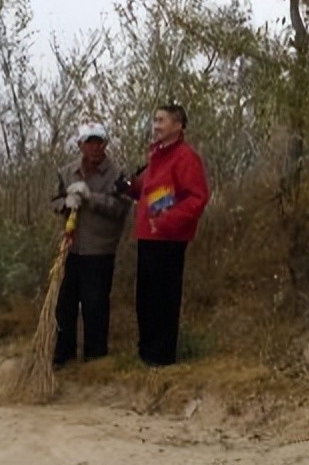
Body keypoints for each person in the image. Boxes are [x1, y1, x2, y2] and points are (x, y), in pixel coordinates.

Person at [123, 105, 211, 367]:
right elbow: (155, 193)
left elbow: (197, 198)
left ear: (178, 125)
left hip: (169, 239)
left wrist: (166, 221)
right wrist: (129, 188)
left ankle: (161, 358)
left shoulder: (185, 157)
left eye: (161, 120)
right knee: (145, 298)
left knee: (164, 299)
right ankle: (146, 353)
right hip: (148, 237)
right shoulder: (157, 155)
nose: (156, 125)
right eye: (155, 120)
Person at [50, 123, 133, 367]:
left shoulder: (118, 175)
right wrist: (66, 202)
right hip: (71, 248)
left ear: (105, 144)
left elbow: (120, 207)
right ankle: (62, 356)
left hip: (100, 250)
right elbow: (53, 202)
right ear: (80, 145)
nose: (95, 147)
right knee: (64, 304)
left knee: (95, 304)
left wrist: (91, 197)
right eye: (90, 142)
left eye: (99, 142)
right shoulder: (67, 172)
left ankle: (95, 359)